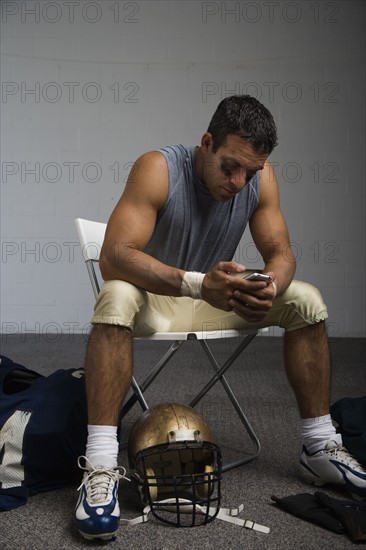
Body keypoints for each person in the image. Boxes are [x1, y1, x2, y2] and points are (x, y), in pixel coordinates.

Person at [73, 95, 366, 540]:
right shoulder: (158, 168)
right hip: (157, 295)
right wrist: (194, 282)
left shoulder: (259, 177)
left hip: (215, 296)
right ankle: (99, 466)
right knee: (114, 295)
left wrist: (267, 284)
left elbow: (282, 254)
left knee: (304, 297)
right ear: (207, 143)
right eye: (230, 166)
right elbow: (114, 258)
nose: (239, 181)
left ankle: (320, 445)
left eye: (250, 171)